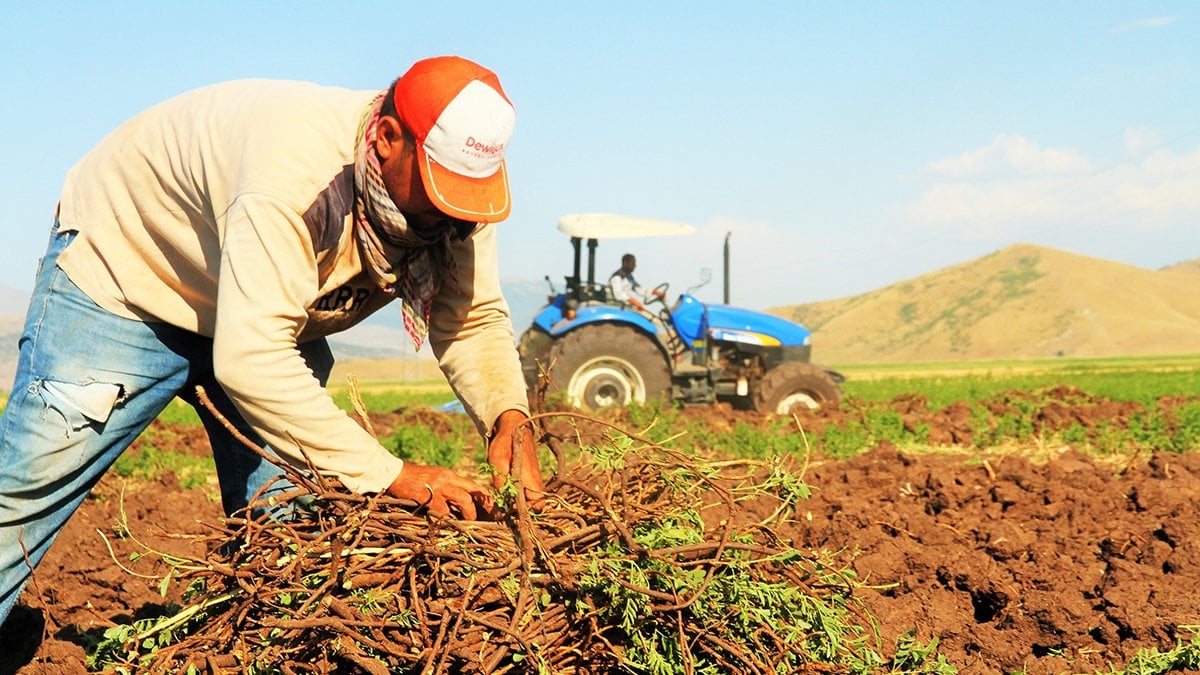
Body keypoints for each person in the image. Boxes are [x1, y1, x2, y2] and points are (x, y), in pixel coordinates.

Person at [0, 55, 546, 628]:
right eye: (438, 190)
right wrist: (394, 475)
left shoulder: (455, 208)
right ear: (387, 138)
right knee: (26, 490)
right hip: (131, 272)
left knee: (292, 530)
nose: (446, 212)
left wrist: (508, 417)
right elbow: (253, 357)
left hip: (266, 313)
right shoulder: (293, 177)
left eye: (461, 197)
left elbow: (472, 316)